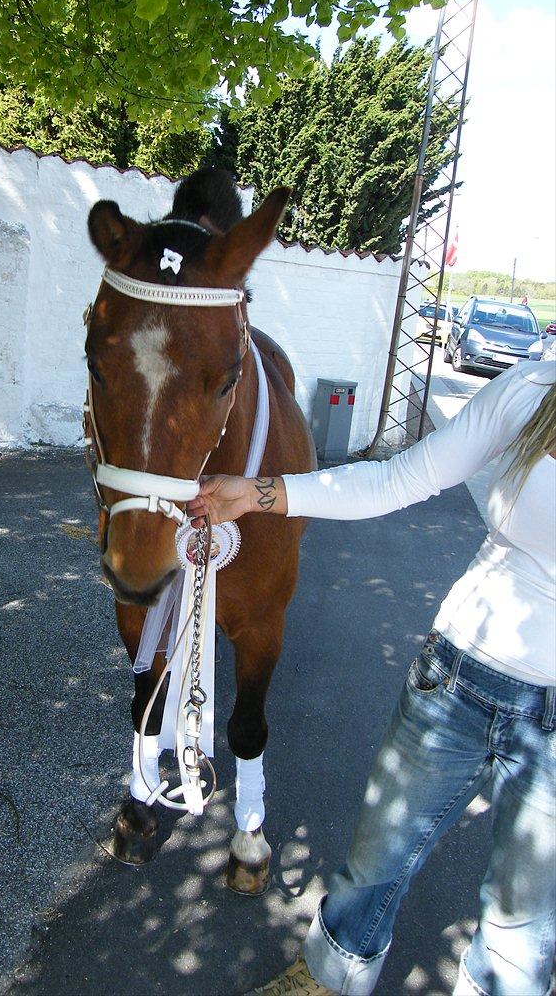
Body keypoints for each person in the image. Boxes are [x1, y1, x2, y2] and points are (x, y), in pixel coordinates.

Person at [186, 358, 556, 996]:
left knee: (522, 924)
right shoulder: (533, 392)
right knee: (376, 861)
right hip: (457, 679)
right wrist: (258, 493)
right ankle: (330, 979)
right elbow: (400, 478)